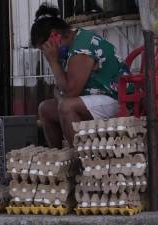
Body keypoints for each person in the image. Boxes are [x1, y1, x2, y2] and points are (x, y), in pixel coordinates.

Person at [32, 4, 130, 148]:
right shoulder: (66, 51)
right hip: (94, 99)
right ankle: (60, 158)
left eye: (43, 48)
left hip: (117, 98)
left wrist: (53, 62)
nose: (45, 53)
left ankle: (80, 162)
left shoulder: (82, 46)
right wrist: (61, 96)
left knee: (67, 107)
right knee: (45, 108)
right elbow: (58, 89)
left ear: (54, 35)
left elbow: (71, 92)